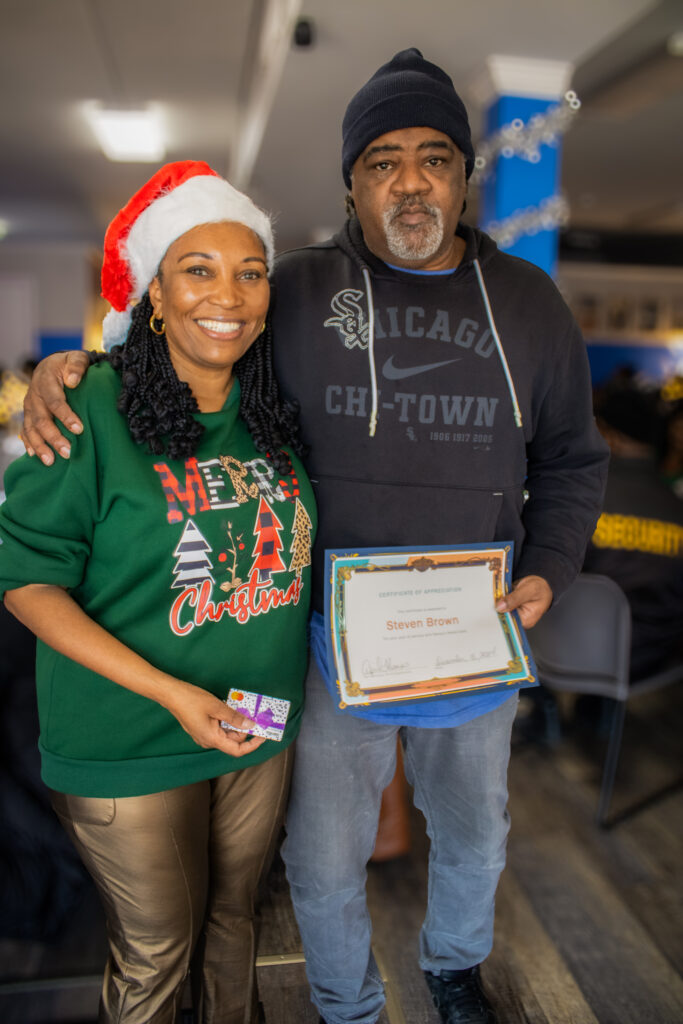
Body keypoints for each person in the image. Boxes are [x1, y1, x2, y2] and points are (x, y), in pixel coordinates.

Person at [21, 49, 608, 1024]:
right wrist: (74, 365)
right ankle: (344, 1001)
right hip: (321, 638)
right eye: (381, 160)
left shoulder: (530, 308)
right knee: (320, 851)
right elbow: (181, 347)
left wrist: (547, 567)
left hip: (472, 627)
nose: (409, 181)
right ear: (350, 181)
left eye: (432, 158)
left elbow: (574, 461)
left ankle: (455, 968)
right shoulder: (290, 288)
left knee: (475, 829)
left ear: (464, 178)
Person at [1, 160, 316, 1024]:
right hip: (128, 736)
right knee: (155, 957)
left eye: (250, 272)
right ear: (153, 295)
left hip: (256, 725)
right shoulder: (85, 408)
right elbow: (27, 580)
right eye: (198, 269)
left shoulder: (273, 411)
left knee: (231, 925)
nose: (230, 293)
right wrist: (174, 694)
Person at [584, 378, 683, 680]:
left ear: (608, 435)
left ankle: (543, 717)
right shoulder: (675, 507)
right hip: (653, 660)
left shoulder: (582, 500)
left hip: (572, 649)